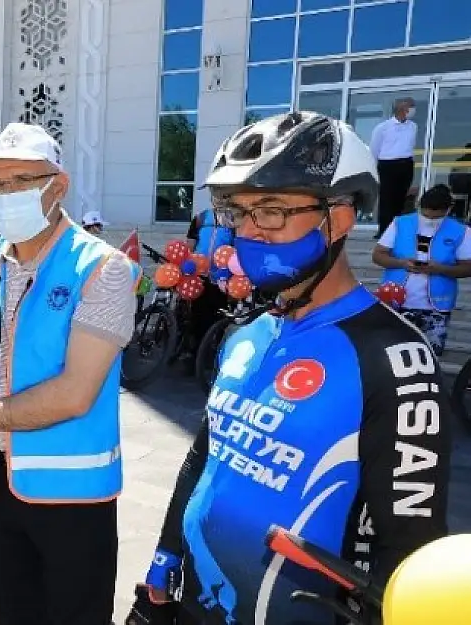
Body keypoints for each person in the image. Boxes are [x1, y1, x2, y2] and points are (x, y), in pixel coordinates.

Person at [125, 111, 451, 625]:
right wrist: (164, 561)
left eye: (272, 210)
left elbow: (410, 550)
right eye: (241, 211)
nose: (251, 231)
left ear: (340, 217)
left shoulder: (396, 359)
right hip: (194, 604)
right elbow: (203, 460)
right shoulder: (247, 333)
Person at [0, 122, 139, 625]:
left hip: (72, 496)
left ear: (57, 187)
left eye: (21, 182)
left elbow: (73, 395)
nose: (6, 195)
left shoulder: (102, 269)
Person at [372, 183, 471, 356]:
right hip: (396, 302)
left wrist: (441, 269)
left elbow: (467, 268)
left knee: (430, 357)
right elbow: (378, 255)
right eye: (425, 216)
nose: (429, 221)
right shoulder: (400, 223)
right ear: (419, 206)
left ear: (448, 210)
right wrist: (402, 263)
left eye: (435, 218)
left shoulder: (461, 231)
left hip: (436, 308)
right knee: (392, 356)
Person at [183, 207, 232, 369]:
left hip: (222, 278)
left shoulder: (234, 218)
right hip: (199, 276)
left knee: (218, 317)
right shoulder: (201, 218)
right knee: (197, 317)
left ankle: (211, 355)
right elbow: (190, 245)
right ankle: (194, 355)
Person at [371, 97, 418, 237]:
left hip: (406, 165)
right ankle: (384, 230)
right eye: (411, 107)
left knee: (401, 198)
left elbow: (411, 145)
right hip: (388, 165)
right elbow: (374, 148)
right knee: (387, 198)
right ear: (402, 109)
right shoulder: (383, 128)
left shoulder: (413, 126)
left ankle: (398, 229)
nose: (413, 110)